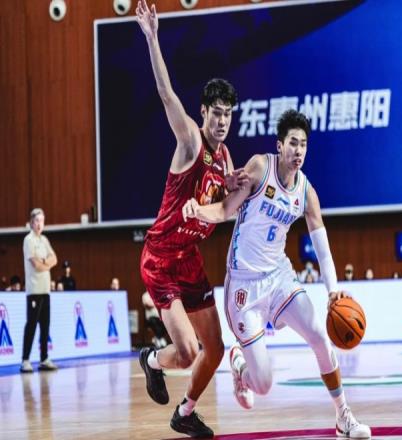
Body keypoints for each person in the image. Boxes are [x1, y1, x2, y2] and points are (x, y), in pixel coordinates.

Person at [183, 110, 371, 438]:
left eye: (304, 145)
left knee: (319, 335)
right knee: (264, 385)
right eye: (293, 143)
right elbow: (226, 208)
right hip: (243, 286)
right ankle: (239, 364)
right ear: (280, 146)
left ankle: (344, 416)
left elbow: (323, 249)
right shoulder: (260, 167)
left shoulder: (306, 193)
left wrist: (332, 291)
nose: (299, 151)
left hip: (279, 278)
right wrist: (199, 210)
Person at [135, 1, 247, 437]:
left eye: (228, 114)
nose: (222, 121)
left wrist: (234, 188)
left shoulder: (226, 158)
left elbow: (228, 208)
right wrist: (152, 38)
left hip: (189, 259)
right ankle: (151, 360)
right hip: (160, 258)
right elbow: (166, 94)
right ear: (203, 113)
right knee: (184, 353)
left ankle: (185, 412)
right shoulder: (190, 142)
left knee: (213, 349)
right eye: (216, 113)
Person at [21, 208, 58, 373]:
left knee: (45, 326)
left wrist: (44, 262)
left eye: (42, 221)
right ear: (31, 222)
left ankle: (44, 358)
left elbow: (55, 259)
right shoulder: (28, 240)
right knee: (31, 325)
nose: (39, 224)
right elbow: (35, 265)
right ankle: (25, 360)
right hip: (34, 290)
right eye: (37, 221)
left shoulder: (44, 240)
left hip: (45, 290)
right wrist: (45, 263)